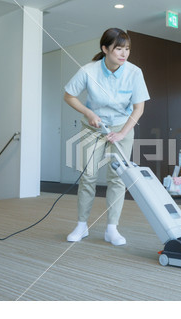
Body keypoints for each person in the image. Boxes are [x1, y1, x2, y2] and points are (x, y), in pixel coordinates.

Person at [63, 28, 150, 245]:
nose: (124, 54)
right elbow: (69, 96)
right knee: (88, 176)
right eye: (118, 48)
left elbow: (139, 108)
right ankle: (82, 226)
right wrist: (88, 112)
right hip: (94, 128)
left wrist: (122, 133)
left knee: (117, 178)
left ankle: (112, 229)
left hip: (122, 128)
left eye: (127, 49)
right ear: (105, 49)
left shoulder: (134, 72)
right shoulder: (89, 70)